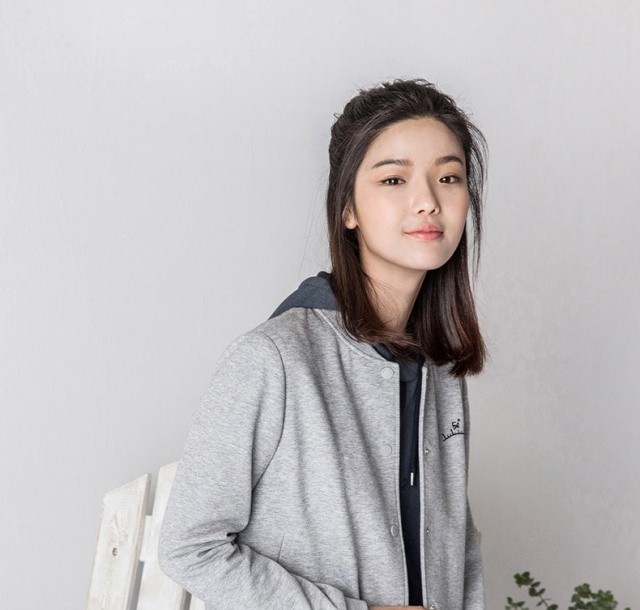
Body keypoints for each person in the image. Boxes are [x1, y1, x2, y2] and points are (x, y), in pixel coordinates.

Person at [158, 78, 488, 610]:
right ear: (347, 208)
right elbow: (189, 547)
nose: (428, 201)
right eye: (394, 179)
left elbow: (459, 548)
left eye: (448, 177)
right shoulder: (273, 359)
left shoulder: (440, 369)